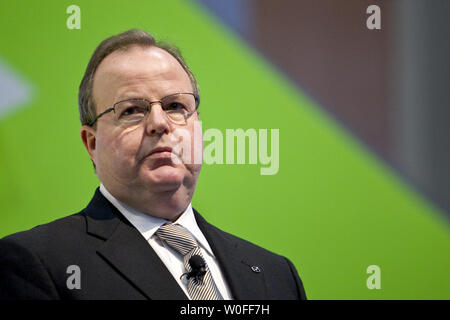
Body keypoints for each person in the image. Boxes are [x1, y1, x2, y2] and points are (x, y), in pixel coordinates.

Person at [0, 29, 306, 300]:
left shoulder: (276, 274)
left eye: (175, 106)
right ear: (92, 143)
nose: (159, 123)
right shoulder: (35, 262)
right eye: (132, 110)